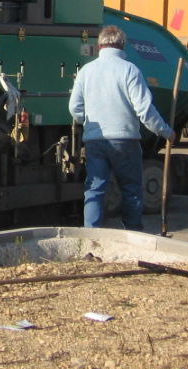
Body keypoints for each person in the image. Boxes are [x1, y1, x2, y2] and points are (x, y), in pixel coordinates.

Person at [68, 25, 175, 231]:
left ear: (99, 45)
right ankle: (132, 237)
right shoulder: (130, 70)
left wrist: (89, 122)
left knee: (95, 189)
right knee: (132, 189)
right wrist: (165, 132)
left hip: (95, 140)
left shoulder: (86, 71)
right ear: (122, 45)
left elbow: (74, 107)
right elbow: (144, 110)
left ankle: (92, 239)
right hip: (125, 140)